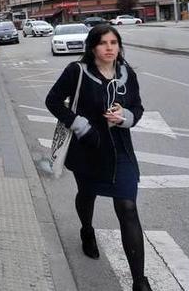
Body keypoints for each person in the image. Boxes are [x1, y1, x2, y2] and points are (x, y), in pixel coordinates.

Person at [45, 25, 151, 291]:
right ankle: (87, 229)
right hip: (89, 148)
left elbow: (137, 107)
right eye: (103, 43)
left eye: (114, 42)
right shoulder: (76, 72)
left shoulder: (127, 74)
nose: (109, 48)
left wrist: (125, 116)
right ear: (93, 46)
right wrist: (81, 125)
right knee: (87, 194)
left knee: (127, 207)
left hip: (121, 150)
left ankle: (139, 282)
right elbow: (53, 101)